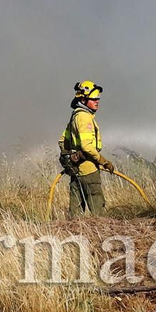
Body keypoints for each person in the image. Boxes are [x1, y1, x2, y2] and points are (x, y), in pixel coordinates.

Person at [59, 80, 115, 215]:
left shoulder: (75, 116)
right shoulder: (84, 117)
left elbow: (62, 141)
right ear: (83, 100)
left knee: (75, 217)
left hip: (76, 171)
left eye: (98, 99)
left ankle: (74, 236)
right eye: (93, 99)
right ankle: (99, 237)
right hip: (89, 172)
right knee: (99, 215)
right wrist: (104, 162)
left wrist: (71, 158)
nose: (97, 101)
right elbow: (87, 146)